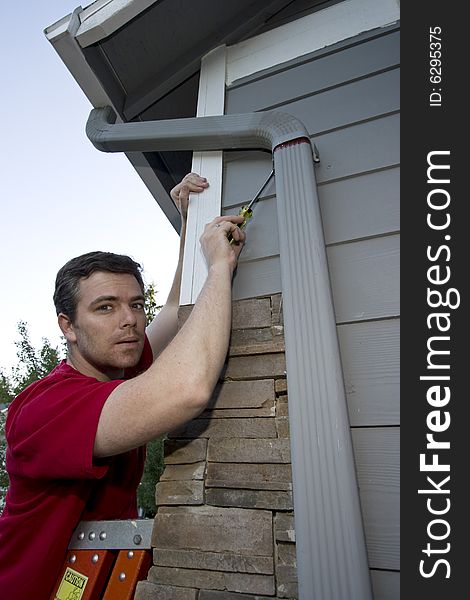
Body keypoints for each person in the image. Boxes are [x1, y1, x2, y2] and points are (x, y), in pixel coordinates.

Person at [0, 173, 246, 600]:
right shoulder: (44, 407)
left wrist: (189, 221)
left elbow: (173, 310)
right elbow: (189, 388)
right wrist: (220, 267)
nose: (129, 319)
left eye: (134, 304)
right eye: (105, 308)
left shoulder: (125, 377)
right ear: (69, 327)